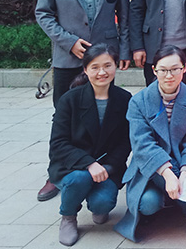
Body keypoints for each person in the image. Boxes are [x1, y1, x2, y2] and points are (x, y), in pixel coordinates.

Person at [35, 0, 130, 202]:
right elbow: (43, 14)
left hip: (104, 60)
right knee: (63, 115)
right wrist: (69, 42)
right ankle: (56, 172)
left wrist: (123, 50)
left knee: (104, 112)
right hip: (69, 57)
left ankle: (103, 165)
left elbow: (124, 16)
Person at [114, 45, 186, 241]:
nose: (169, 76)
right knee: (147, 204)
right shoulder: (139, 101)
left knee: (182, 181)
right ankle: (184, 200)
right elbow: (143, 145)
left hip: (183, 161)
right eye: (163, 70)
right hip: (150, 166)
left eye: (175, 69)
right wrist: (168, 174)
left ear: (185, 68)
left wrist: (184, 174)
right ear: (154, 70)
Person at [48, 43, 132, 246]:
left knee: (102, 204)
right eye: (95, 67)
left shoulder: (124, 99)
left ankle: (97, 203)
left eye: (107, 65)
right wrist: (88, 164)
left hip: (107, 167)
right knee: (80, 178)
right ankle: (68, 216)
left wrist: (108, 167)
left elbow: (126, 141)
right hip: (73, 167)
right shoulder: (70, 100)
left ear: (115, 66)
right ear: (85, 70)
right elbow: (58, 143)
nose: (102, 72)